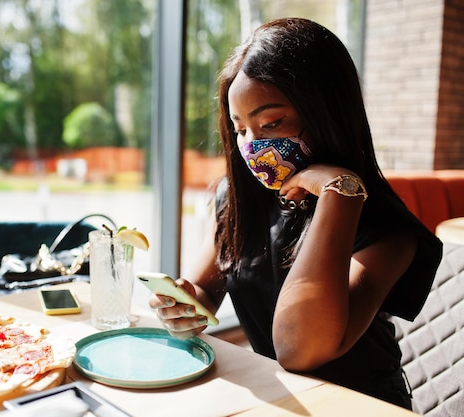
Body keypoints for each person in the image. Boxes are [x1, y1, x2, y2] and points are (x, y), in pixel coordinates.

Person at [150, 17, 442, 409]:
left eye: (270, 123)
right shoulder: (238, 198)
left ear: (325, 110)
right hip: (277, 399)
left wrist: (340, 192)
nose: (252, 146)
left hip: (363, 405)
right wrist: (184, 305)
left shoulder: (388, 230)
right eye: (240, 130)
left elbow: (298, 349)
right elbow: (204, 289)